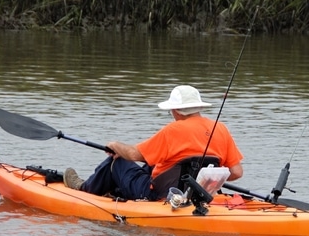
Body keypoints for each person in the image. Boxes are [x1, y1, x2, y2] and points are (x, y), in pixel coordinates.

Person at [63, 85, 244, 200]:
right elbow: (236, 172)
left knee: (116, 162)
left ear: (176, 111)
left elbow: (133, 155)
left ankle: (83, 188)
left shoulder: (172, 131)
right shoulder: (220, 129)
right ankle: (113, 188)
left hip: (158, 194)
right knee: (152, 165)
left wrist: (115, 145)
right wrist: (205, 180)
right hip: (199, 195)